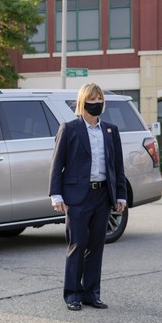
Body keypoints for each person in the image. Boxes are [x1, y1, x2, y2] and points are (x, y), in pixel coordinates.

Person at [48, 83, 127, 311]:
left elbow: (117, 167)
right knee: (78, 244)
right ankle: (73, 294)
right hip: (77, 197)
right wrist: (56, 195)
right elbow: (57, 164)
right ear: (83, 102)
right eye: (92, 99)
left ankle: (92, 293)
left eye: (100, 98)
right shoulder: (69, 128)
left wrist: (120, 195)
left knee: (96, 246)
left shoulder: (110, 130)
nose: (97, 102)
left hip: (103, 195)